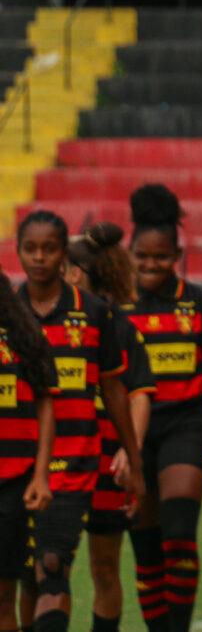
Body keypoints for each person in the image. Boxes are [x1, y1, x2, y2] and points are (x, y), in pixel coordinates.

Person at [16, 211, 145, 632]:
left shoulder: (102, 319)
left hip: (94, 459)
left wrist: (132, 452)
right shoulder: (12, 313)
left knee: (94, 566)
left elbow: (129, 392)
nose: (43, 260)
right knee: (31, 573)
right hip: (26, 461)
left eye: (53, 253)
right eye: (31, 249)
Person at [124, 185, 202, 632]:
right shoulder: (115, 304)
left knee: (177, 537)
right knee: (147, 548)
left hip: (185, 425)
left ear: (176, 254)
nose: (151, 265)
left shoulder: (201, 303)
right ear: (130, 254)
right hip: (132, 433)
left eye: (161, 257)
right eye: (142, 257)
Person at [64, 223, 157, 631]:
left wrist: (127, 449)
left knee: (104, 569)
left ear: (75, 273)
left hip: (104, 465)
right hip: (60, 464)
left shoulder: (117, 326)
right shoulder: (41, 322)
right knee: (49, 568)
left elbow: (139, 394)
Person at [0, 268, 55, 632]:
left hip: (14, 483)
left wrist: (39, 474)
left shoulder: (21, 339)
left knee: (6, 596)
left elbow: (45, 406)